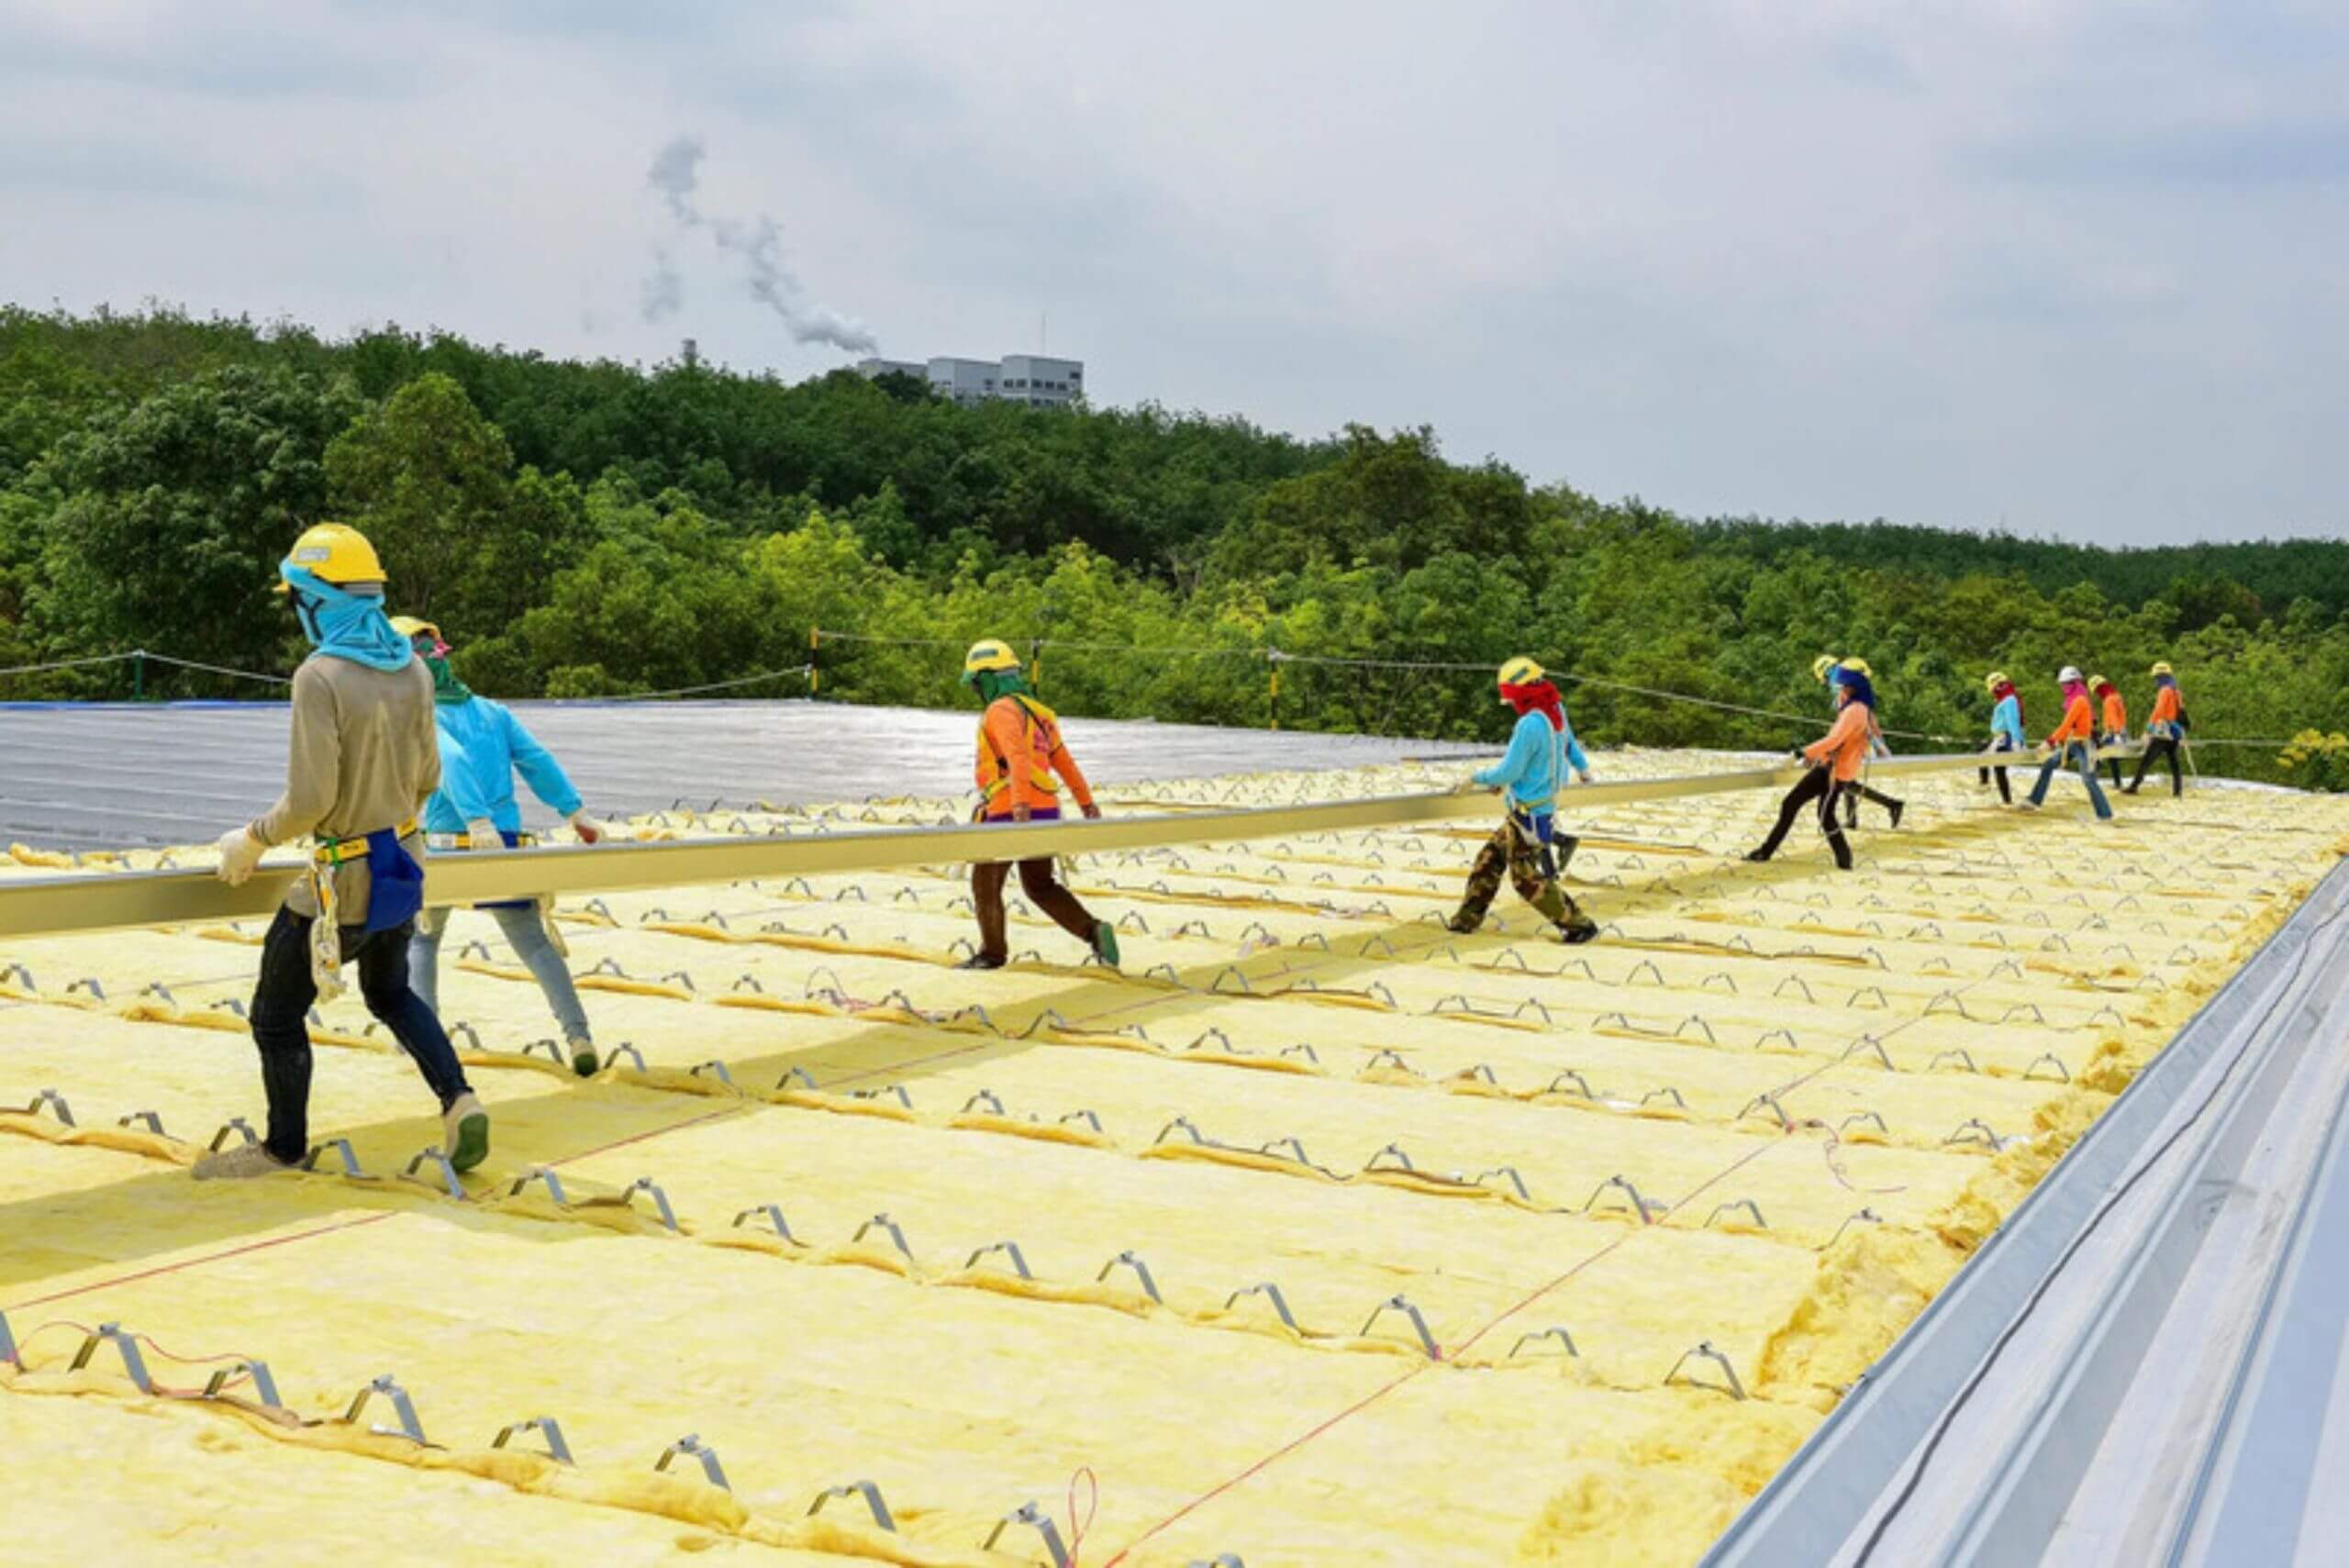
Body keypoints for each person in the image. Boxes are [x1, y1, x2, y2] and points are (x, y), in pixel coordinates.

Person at [199, 524, 487, 1179]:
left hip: (343, 878)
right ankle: (459, 1097)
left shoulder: (320, 676)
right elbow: (428, 779)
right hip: (403, 864)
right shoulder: (413, 669)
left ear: (319, 600)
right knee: (389, 990)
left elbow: (309, 799)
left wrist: (252, 839)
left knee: (275, 1015)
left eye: (297, 599)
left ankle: (282, 1147)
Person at [391, 617, 610, 1078]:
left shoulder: (420, 715)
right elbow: (536, 759)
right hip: (506, 842)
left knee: (424, 938)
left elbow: (447, 759)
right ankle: (578, 1034)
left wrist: (475, 817)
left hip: (450, 841)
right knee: (533, 942)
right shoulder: (491, 712)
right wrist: (575, 813)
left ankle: (424, 1046)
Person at [960, 638, 1119, 970]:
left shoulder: (1000, 710)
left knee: (985, 883)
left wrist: (1018, 805)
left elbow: (1016, 757)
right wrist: (1086, 802)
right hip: (1045, 810)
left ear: (987, 678)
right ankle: (1094, 932)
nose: (977, 691)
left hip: (1009, 812)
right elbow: (1065, 763)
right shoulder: (1041, 714)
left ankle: (992, 954)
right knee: (1040, 886)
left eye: (977, 683)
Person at [1448, 657, 1599, 942]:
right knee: (1489, 860)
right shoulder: (1556, 711)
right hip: (1538, 808)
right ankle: (1466, 920)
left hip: (1527, 815)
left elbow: (1511, 770)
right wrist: (1583, 768)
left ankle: (1578, 924)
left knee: (1525, 880)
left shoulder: (1529, 725)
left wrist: (1475, 778)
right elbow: (1567, 744)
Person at [1749, 662, 1876, 869]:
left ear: (1854, 684)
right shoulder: (1861, 709)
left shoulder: (1854, 711)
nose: (1840, 687)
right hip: (1838, 770)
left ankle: (1765, 852)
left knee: (1792, 805)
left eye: (1844, 683)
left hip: (1831, 771)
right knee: (1825, 816)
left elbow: (1834, 740)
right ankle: (1844, 862)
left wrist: (1801, 752)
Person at [1821, 657, 1905, 828]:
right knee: (1846, 779)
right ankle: (1853, 820)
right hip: (1860, 737)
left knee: (1845, 781)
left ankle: (1892, 804)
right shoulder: (1850, 687)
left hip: (1856, 738)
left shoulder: (1842, 690)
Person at [2023, 665, 2114, 819]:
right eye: (2063, 684)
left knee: (2089, 780)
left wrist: (2049, 742)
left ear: (2075, 684)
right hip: (2073, 744)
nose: (2064, 687)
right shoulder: (2074, 700)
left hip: (2084, 745)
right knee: (2049, 765)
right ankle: (2034, 800)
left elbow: (2066, 725)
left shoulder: (2079, 701)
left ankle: (2105, 815)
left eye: (2067, 683)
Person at [2126, 661, 2188, 796]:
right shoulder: (2176, 691)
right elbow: (2181, 710)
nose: (2155, 680)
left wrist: (2149, 728)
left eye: (2156, 678)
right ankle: (2177, 791)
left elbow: (2158, 710)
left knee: (2146, 760)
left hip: (2163, 731)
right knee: (2174, 762)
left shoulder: (2164, 690)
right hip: (2175, 731)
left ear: (2161, 677)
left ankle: (2134, 786)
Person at [1979, 671, 2026, 804]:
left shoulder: (2009, 700)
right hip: (2003, 738)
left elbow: (2013, 721)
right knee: (1997, 766)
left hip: (2007, 739)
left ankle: (1985, 784)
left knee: (1994, 764)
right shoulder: (2008, 698)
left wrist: (2017, 742)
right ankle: (2004, 799)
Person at [2092, 674, 2130, 787]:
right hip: (2120, 730)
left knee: (2097, 751)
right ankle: (2117, 783)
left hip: (2114, 732)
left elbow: (2113, 717)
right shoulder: (2117, 697)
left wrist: (2116, 733)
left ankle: (2094, 777)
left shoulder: (2108, 700)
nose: (2098, 694)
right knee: (2111, 758)